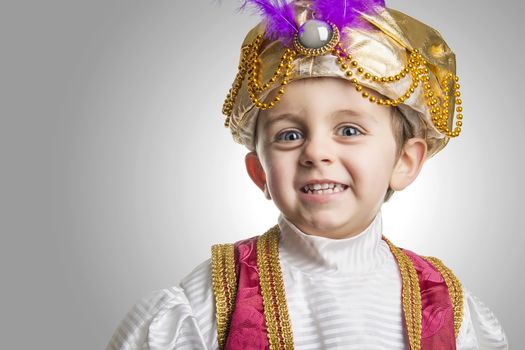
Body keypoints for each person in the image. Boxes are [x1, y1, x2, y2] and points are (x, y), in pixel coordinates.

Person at [106, 0, 508, 349]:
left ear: (405, 162)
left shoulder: (446, 304)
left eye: (349, 130)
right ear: (259, 171)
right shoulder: (212, 299)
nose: (316, 152)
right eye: (290, 135)